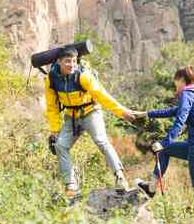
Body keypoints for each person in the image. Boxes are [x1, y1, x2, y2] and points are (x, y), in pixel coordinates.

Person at [44, 46, 135, 200]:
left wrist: (121, 111)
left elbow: (101, 95)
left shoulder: (83, 76)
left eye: (73, 61)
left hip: (90, 112)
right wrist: (55, 129)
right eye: (67, 61)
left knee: (101, 141)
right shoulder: (51, 79)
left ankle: (120, 177)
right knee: (60, 146)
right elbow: (52, 106)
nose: (71, 65)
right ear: (58, 62)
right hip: (71, 117)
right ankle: (71, 185)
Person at [134, 66, 194, 224]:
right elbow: (171, 111)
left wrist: (164, 142)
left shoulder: (187, 95)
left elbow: (179, 121)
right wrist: (147, 113)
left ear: (182, 80)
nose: (174, 84)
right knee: (166, 151)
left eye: (176, 80)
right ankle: (151, 186)